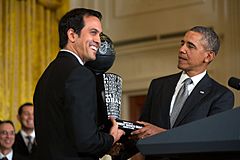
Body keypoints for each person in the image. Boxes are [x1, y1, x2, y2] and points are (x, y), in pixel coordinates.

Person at [114, 26, 234, 160]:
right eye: (182, 43)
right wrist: (117, 149)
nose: (182, 49)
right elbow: (142, 131)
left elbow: (211, 143)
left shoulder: (220, 96)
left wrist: (162, 134)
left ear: (208, 56)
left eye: (190, 46)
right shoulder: (158, 85)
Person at [33, 8, 125, 160]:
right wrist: (112, 138)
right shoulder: (80, 74)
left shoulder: (47, 74)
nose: (98, 40)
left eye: (99, 34)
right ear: (72, 35)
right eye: (93, 32)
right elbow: (86, 142)